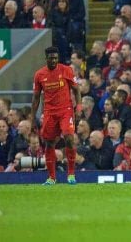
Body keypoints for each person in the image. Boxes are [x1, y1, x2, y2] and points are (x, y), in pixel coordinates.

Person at [31, 47, 82, 185]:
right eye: (51, 58)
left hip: (65, 110)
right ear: (46, 58)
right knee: (49, 143)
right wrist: (32, 118)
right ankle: (52, 177)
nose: (53, 60)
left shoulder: (67, 70)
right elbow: (36, 98)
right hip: (49, 112)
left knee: (69, 138)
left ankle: (71, 174)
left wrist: (79, 107)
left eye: (55, 58)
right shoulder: (39, 75)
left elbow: (76, 90)